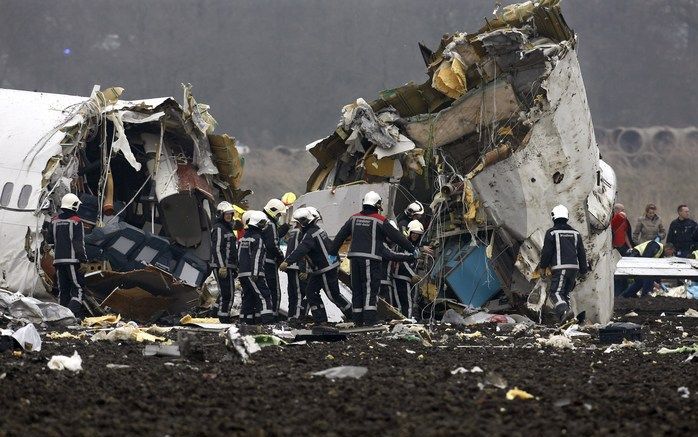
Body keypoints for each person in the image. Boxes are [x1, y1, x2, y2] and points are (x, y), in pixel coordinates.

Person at [330, 191, 416, 326]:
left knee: (357, 289)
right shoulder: (380, 220)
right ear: (377, 205)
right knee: (370, 289)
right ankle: (370, 320)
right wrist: (412, 249)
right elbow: (396, 236)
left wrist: (332, 252)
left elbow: (340, 236)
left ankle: (357, 320)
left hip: (354, 259)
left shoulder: (353, 218)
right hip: (370, 260)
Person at [281, 207, 353, 324]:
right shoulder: (317, 231)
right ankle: (321, 320)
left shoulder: (310, 234)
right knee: (311, 292)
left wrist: (287, 261)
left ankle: (352, 314)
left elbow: (302, 249)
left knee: (333, 295)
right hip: (321, 269)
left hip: (325, 269)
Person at [536, 205, 588, 323]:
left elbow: (547, 252)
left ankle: (565, 311)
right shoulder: (576, 233)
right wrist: (584, 270)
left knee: (555, 293)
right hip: (574, 268)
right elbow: (581, 253)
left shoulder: (552, 233)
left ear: (553, 217)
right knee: (565, 293)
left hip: (561, 268)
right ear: (567, 217)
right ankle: (567, 319)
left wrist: (543, 267)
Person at [45, 193, 88, 319]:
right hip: (73, 261)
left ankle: (61, 317)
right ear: (74, 205)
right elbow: (79, 243)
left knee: (63, 290)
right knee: (78, 289)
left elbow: (50, 240)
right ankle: (70, 315)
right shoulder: (76, 222)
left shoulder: (54, 221)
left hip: (58, 261)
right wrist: (83, 260)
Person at [237, 211, 274, 325]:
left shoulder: (244, 238)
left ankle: (245, 321)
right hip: (253, 273)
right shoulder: (257, 238)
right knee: (264, 296)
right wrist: (256, 272)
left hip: (243, 274)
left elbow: (239, 256)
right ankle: (268, 322)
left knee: (248, 298)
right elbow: (256, 256)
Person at [210, 201, 238, 323]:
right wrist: (222, 266)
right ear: (220, 214)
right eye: (226, 214)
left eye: (230, 214)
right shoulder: (220, 229)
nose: (229, 216)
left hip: (228, 266)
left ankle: (215, 315)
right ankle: (223, 318)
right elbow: (217, 248)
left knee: (224, 293)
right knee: (228, 295)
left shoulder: (227, 228)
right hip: (222, 266)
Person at [391, 220, 424, 318]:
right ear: (409, 232)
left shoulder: (411, 246)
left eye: (418, 234)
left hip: (406, 278)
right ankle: (406, 322)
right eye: (414, 233)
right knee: (404, 303)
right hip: (401, 277)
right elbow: (402, 261)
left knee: (406, 302)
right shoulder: (403, 244)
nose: (415, 236)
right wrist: (412, 275)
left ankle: (405, 321)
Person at [261, 198, 287, 316]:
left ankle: (263, 314)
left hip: (259, 262)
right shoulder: (270, 224)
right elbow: (273, 244)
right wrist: (282, 258)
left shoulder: (261, 222)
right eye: (279, 215)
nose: (279, 217)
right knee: (274, 290)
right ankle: (273, 315)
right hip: (270, 263)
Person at [283, 217, 309, 323]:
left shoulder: (292, 232)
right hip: (297, 266)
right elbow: (302, 252)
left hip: (290, 266)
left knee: (292, 294)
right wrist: (304, 269)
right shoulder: (301, 233)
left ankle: (291, 316)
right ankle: (297, 318)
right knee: (299, 293)